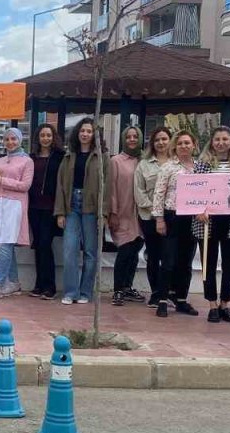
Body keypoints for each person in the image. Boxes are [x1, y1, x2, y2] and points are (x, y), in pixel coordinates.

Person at [192, 126, 230, 323]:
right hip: (207, 221)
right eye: (217, 139)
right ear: (212, 141)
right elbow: (194, 190)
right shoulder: (202, 163)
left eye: (225, 139)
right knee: (208, 264)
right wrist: (198, 210)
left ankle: (225, 303)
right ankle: (212, 304)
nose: (221, 143)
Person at [54, 117, 110, 305]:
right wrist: (60, 212)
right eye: (82, 131)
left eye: (89, 131)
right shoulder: (69, 156)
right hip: (71, 206)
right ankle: (71, 292)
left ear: (95, 135)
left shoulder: (102, 157)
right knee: (70, 250)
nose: (85, 134)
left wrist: (104, 213)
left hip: (92, 208)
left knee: (90, 252)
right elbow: (61, 185)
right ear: (77, 133)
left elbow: (107, 186)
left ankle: (86, 292)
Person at [151, 130, 201, 318]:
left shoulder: (200, 167)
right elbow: (159, 193)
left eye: (187, 143)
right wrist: (159, 219)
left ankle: (181, 299)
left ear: (194, 145)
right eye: (180, 143)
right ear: (175, 146)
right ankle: (163, 300)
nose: (184, 146)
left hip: (192, 218)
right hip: (172, 217)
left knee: (186, 262)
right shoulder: (168, 167)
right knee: (168, 261)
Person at [0, 127, 34, 300]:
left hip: (15, 205)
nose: (10, 142)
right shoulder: (0, 159)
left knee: (5, 244)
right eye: (7, 139)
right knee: (4, 243)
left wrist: (2, 180)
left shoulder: (27, 161)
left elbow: (25, 186)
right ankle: (13, 282)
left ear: (20, 140)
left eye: (14, 139)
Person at [134, 126, 172, 308]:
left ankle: (169, 292)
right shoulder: (144, 164)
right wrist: (157, 210)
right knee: (154, 255)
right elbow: (139, 192)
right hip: (149, 217)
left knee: (169, 256)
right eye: (157, 140)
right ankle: (156, 293)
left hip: (172, 217)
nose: (161, 142)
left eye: (164, 139)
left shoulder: (177, 163)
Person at [108, 126, 146, 306]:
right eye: (129, 137)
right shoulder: (115, 161)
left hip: (141, 215)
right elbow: (111, 188)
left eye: (135, 136)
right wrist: (113, 212)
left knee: (135, 250)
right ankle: (117, 289)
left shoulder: (144, 160)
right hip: (122, 213)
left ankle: (127, 287)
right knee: (124, 250)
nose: (132, 139)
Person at [26, 123, 64, 300]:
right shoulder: (31, 158)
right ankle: (39, 285)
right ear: (37, 138)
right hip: (34, 207)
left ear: (53, 137)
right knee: (38, 246)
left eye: (49, 135)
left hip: (51, 207)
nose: (46, 138)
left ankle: (50, 287)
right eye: (42, 135)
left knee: (45, 244)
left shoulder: (60, 157)